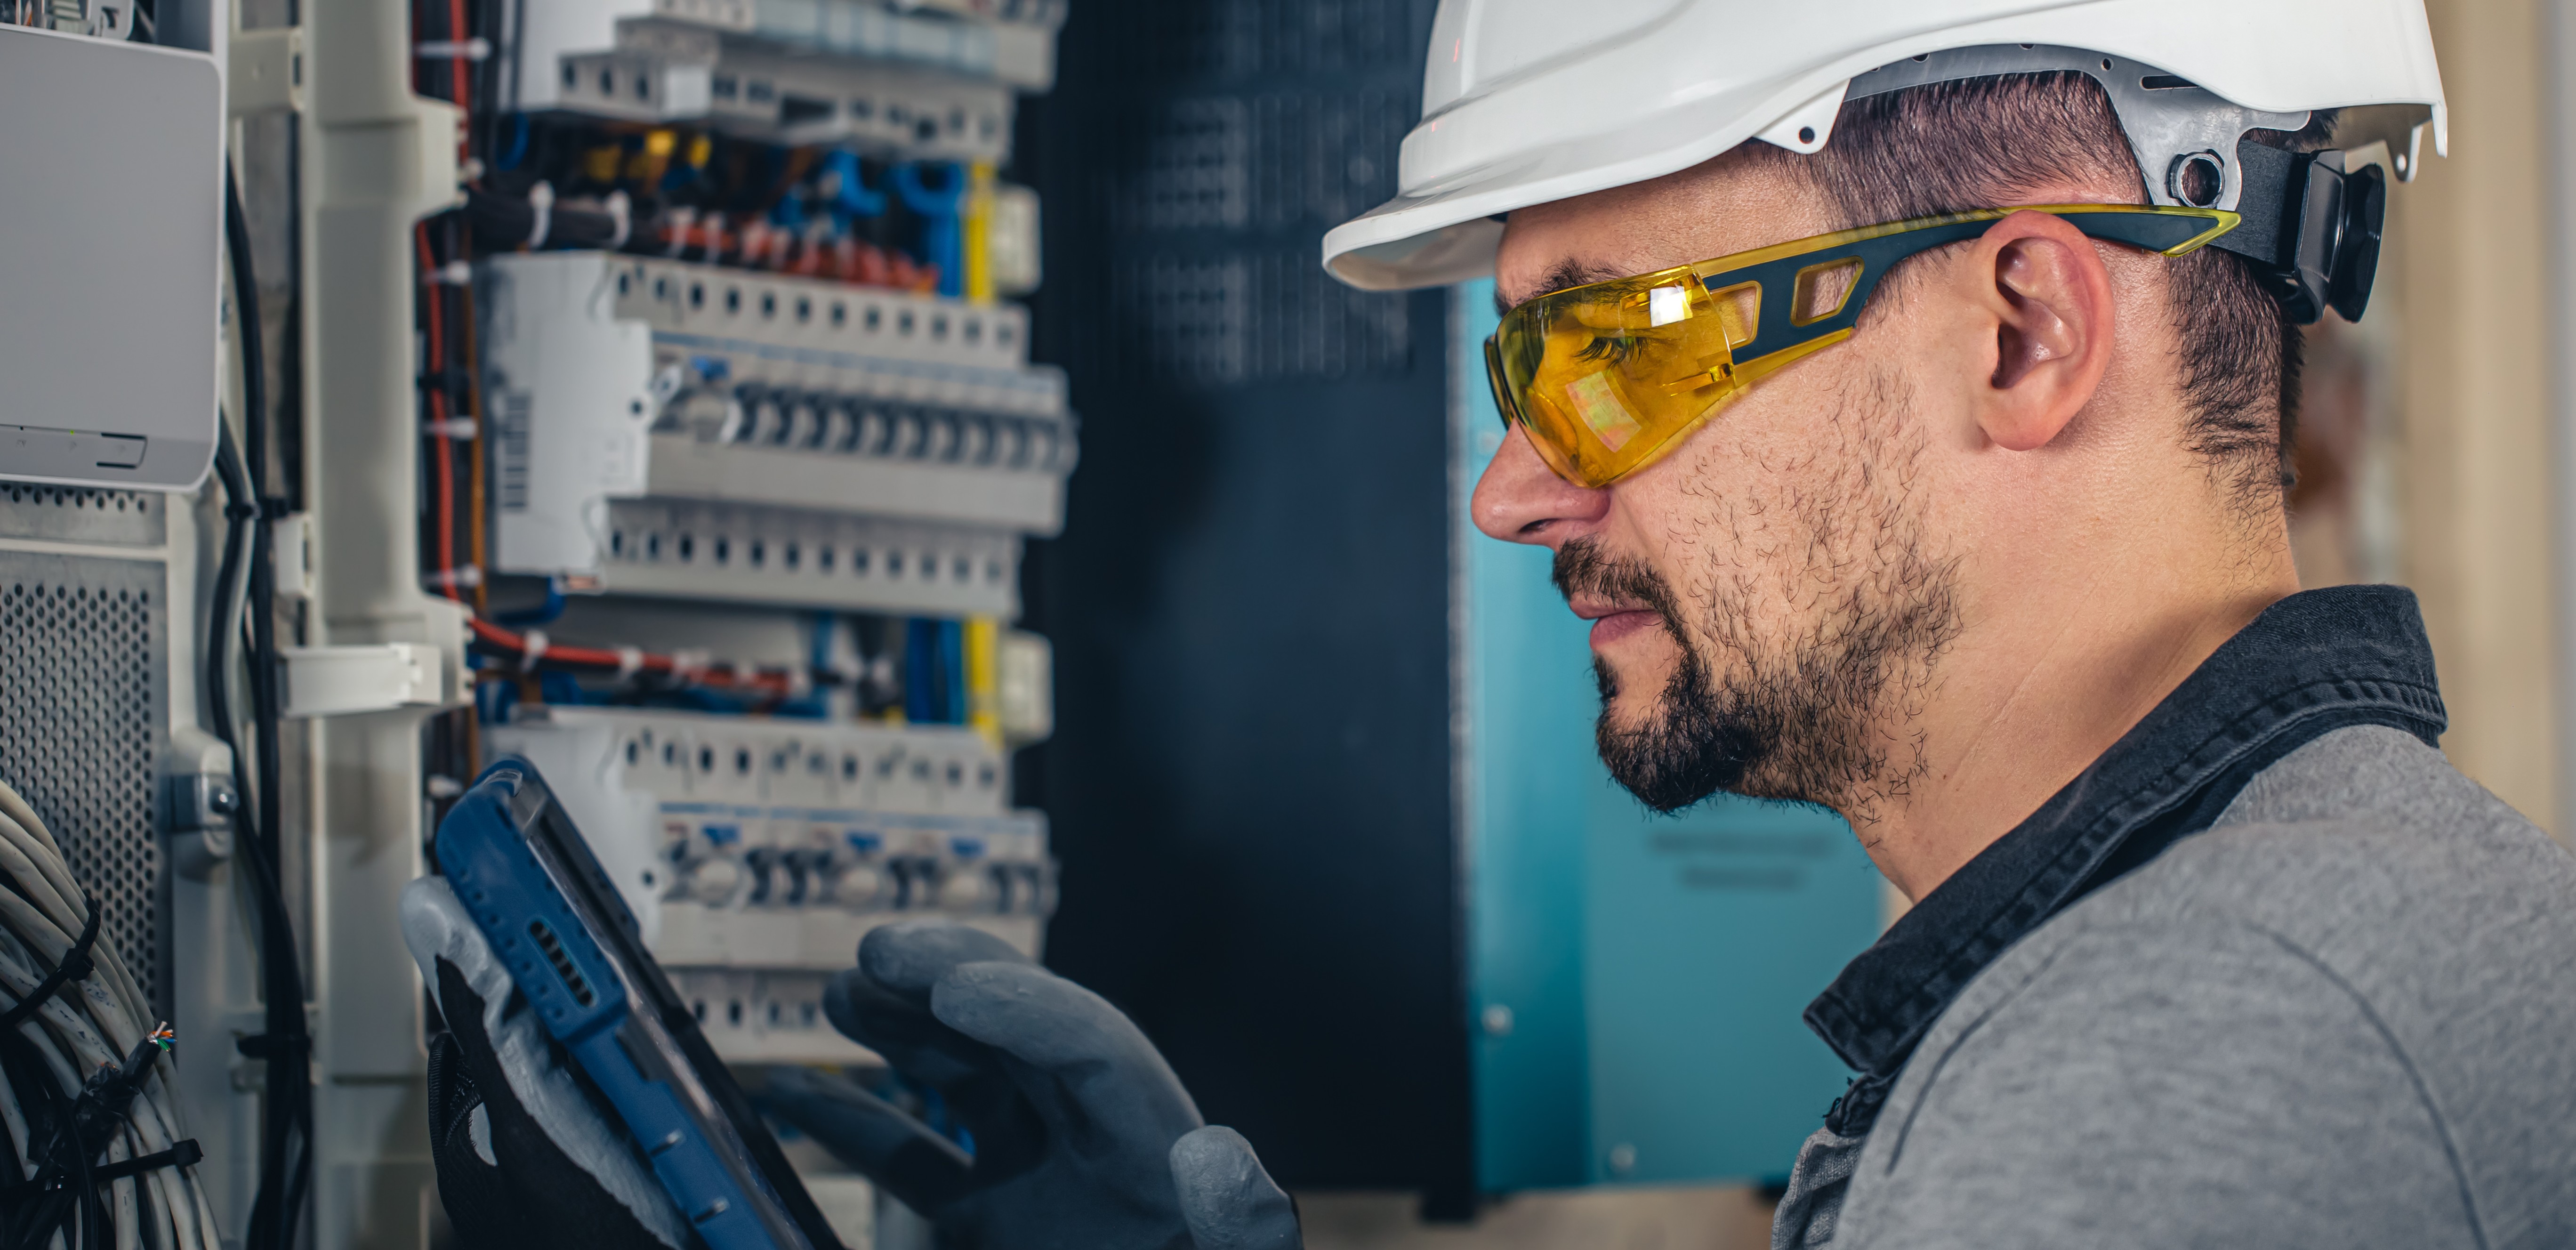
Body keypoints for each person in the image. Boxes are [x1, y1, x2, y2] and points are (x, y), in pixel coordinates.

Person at [419, 2, 2576, 1247]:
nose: (1514, 483)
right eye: (1510, 370)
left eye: (1611, 352)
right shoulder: (2292, 924)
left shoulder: (2182, 1065)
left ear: (2023, 330)